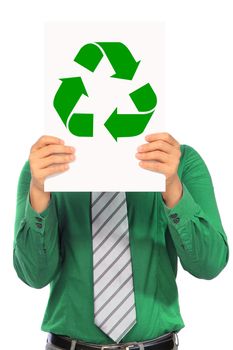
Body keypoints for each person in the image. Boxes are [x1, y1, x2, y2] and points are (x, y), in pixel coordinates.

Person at [13, 132, 229, 350]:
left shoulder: (181, 162)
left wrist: (172, 185)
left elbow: (209, 265)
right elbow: (34, 275)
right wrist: (40, 190)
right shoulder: (44, 166)